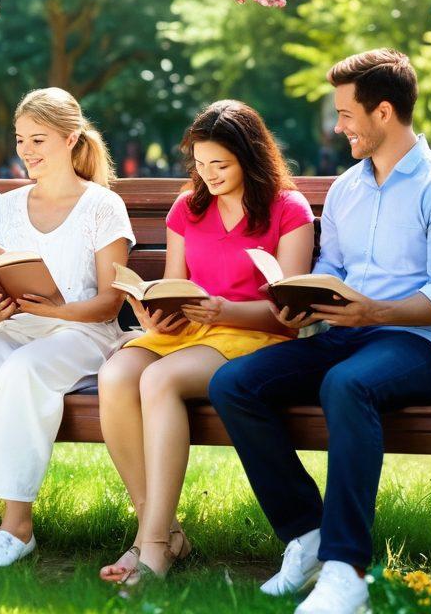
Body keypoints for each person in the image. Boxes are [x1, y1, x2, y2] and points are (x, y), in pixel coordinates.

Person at [207, 49, 431, 614]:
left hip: (421, 346)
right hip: (344, 334)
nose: (339, 127)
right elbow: (332, 268)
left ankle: (346, 570)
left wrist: (374, 313)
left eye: (345, 114)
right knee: (233, 384)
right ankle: (307, 534)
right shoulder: (345, 189)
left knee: (347, 384)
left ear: (383, 112)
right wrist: (301, 302)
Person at [97, 100, 315, 583]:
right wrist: (157, 315)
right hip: (192, 333)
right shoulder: (188, 207)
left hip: (255, 334)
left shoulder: (287, 208)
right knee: (115, 375)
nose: (208, 175)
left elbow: (289, 308)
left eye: (220, 164)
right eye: (199, 163)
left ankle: (153, 549)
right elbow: (176, 285)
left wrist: (225, 310)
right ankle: (159, 529)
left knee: (159, 379)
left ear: (250, 158)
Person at [0, 87, 134, 568]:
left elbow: (110, 302)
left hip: (84, 334)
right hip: (17, 331)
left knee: (23, 370)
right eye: (20, 139)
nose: (26, 150)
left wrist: (55, 312)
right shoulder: (2, 210)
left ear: (71, 139)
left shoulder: (102, 206)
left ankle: (17, 527)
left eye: (38, 140)